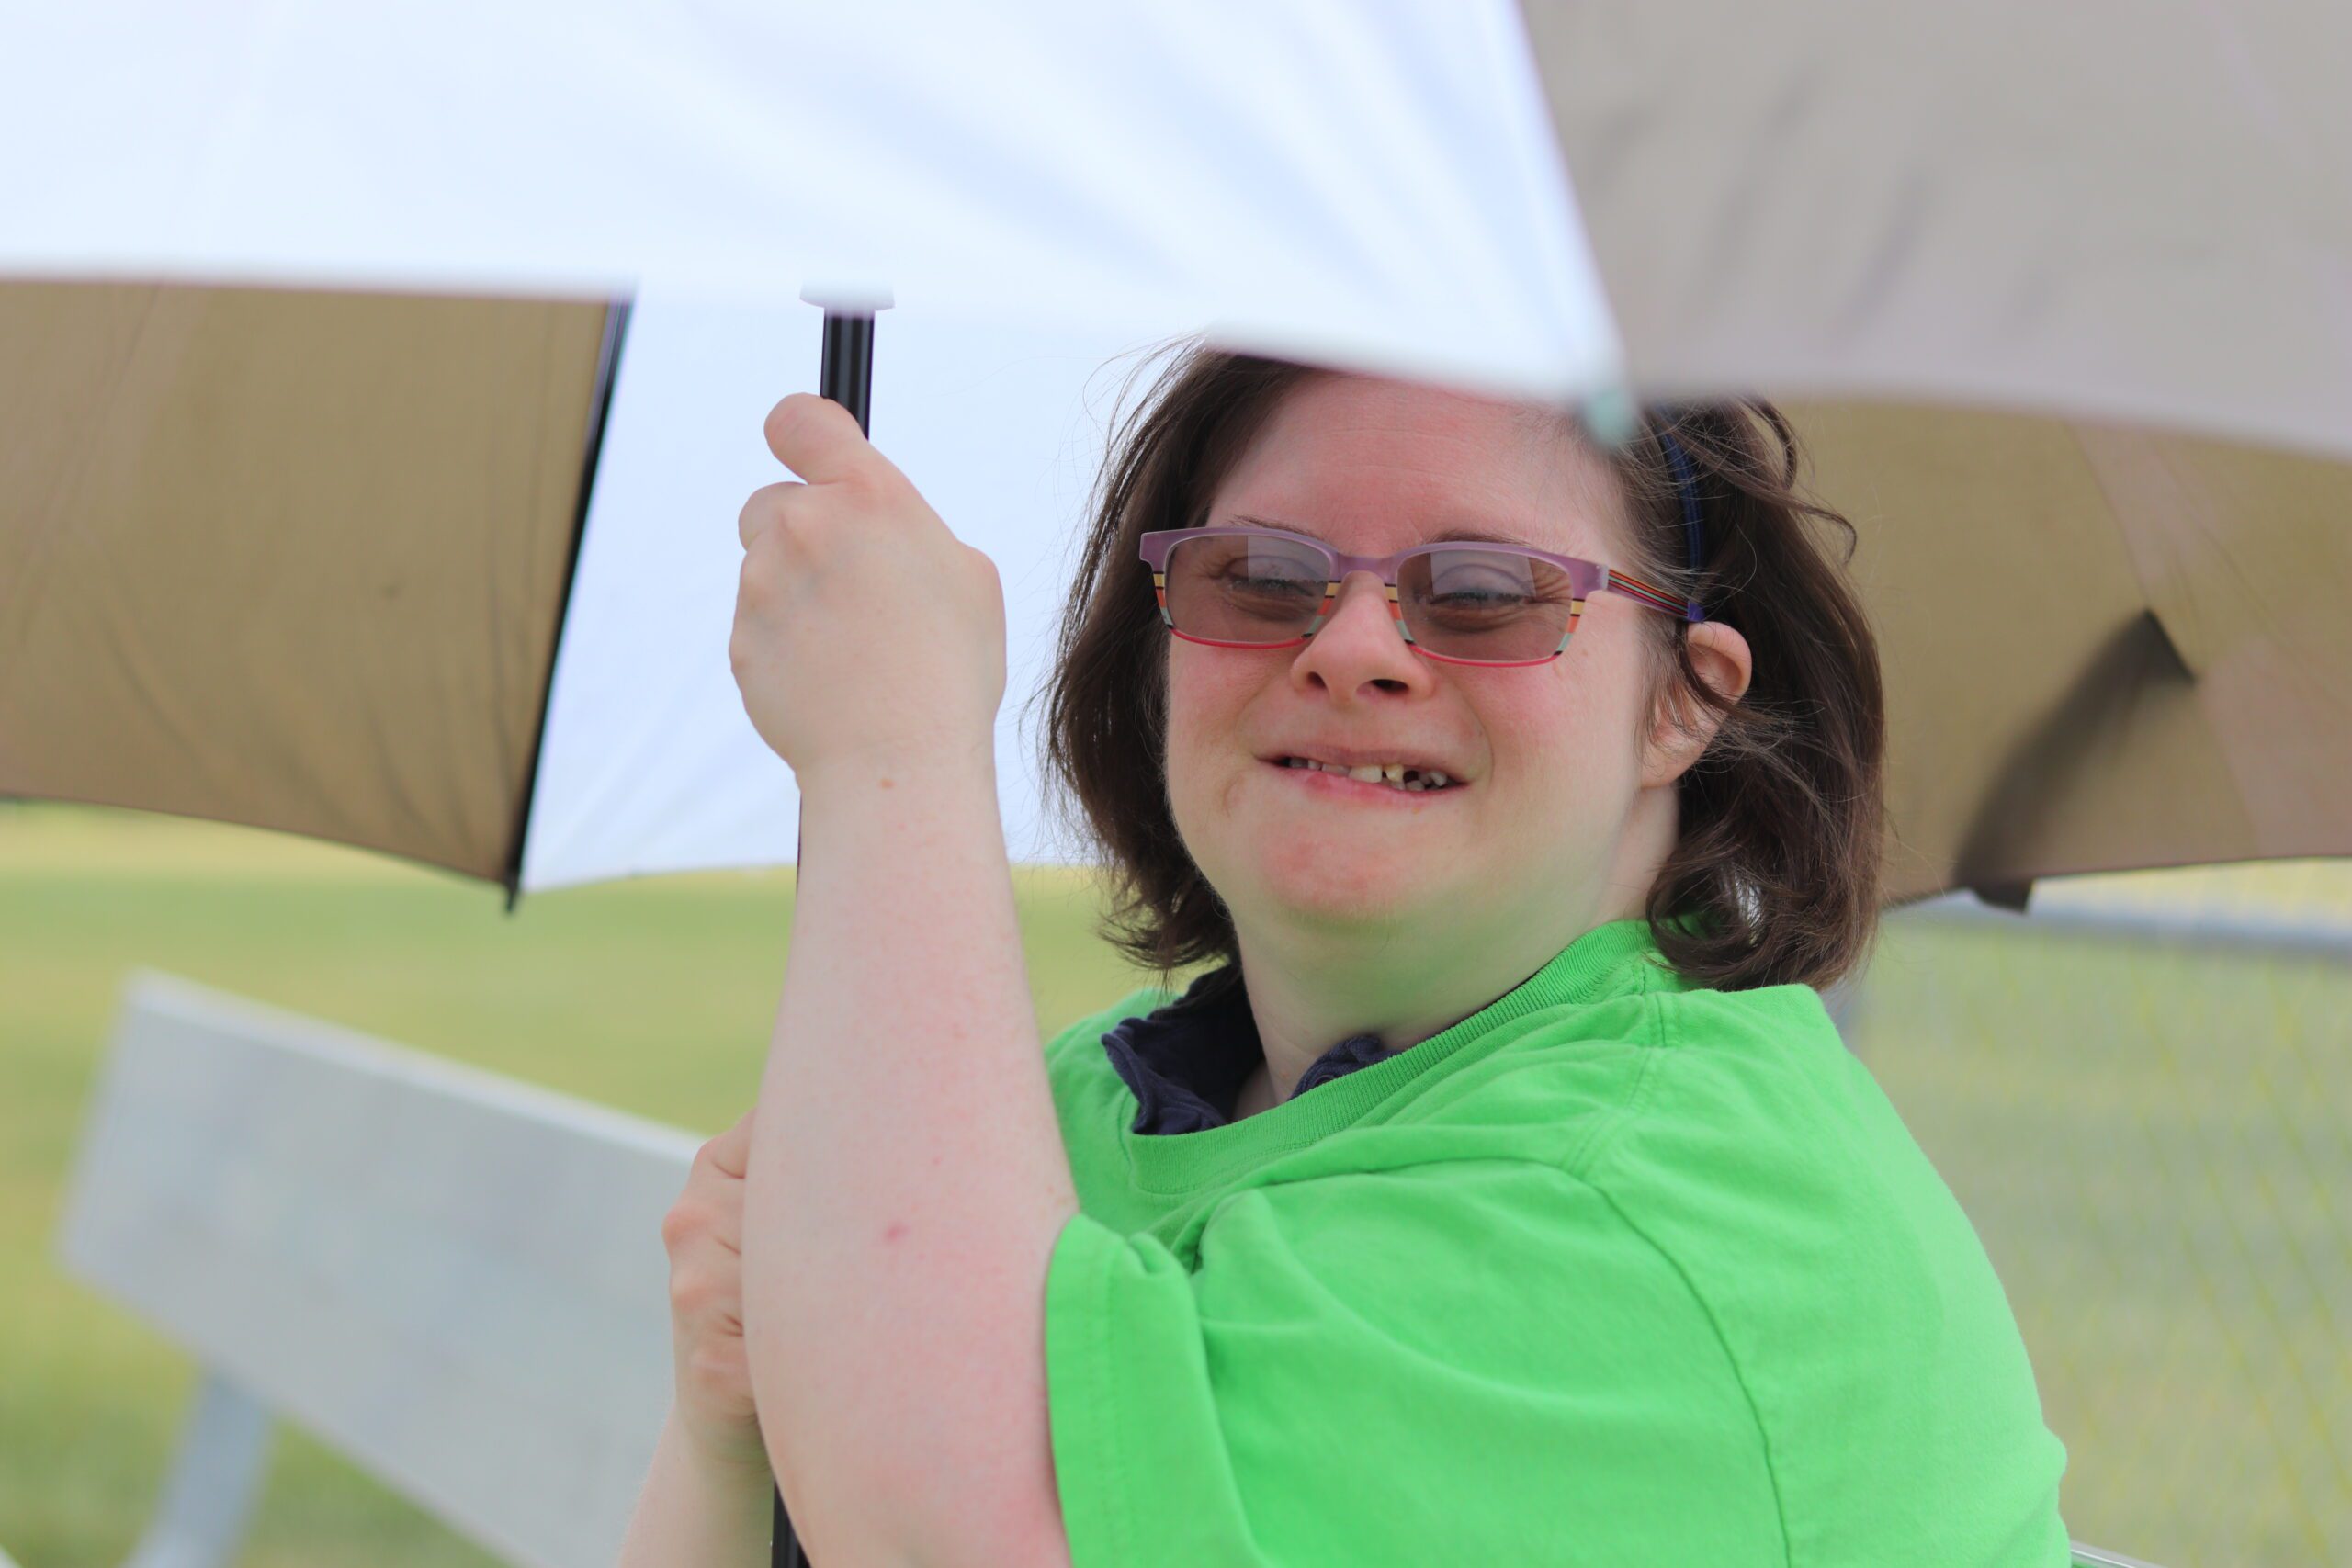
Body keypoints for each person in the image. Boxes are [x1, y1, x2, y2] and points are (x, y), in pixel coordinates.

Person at [620, 347, 2073, 1565]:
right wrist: (732, 1419)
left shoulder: (1652, 1199)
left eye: (1485, 592)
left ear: (1681, 705)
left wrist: (891, 749)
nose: (1355, 647)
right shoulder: (1072, 1117)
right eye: (1261, 577)